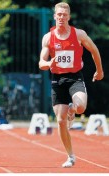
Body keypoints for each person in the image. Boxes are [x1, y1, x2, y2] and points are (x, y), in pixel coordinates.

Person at [39, 2, 104, 168]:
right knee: (60, 121)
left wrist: (100, 70)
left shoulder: (79, 34)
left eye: (64, 15)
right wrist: (48, 64)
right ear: (54, 16)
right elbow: (41, 62)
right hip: (58, 80)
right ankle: (70, 155)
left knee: (81, 106)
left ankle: (73, 110)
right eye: (58, 14)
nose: (61, 17)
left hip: (75, 77)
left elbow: (94, 50)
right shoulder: (48, 37)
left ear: (69, 17)